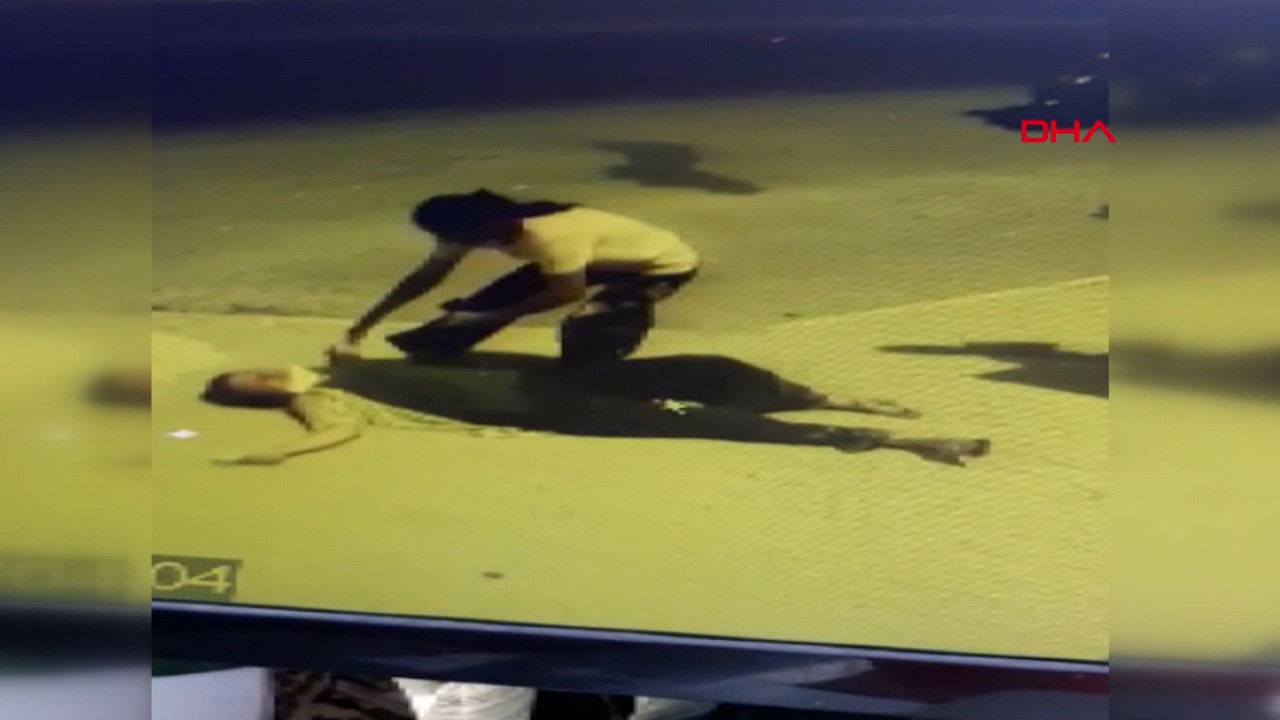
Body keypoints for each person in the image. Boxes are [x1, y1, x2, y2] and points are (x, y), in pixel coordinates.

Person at [199, 354, 990, 467]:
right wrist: (275, 452)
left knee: (707, 371)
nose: (264, 376)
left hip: (553, 378)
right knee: (694, 421)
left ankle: (823, 397)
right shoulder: (320, 393)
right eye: (251, 386)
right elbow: (339, 429)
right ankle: (895, 441)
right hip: (544, 409)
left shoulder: (343, 357)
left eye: (253, 371)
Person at [328, 189, 700, 365]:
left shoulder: (551, 234)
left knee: (589, 326)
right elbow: (423, 279)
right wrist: (358, 329)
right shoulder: (468, 229)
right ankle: (434, 355)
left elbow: (567, 291)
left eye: (468, 238)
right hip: (592, 260)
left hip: (658, 266)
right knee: (460, 318)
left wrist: (495, 315)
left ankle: (592, 373)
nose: (460, 244)